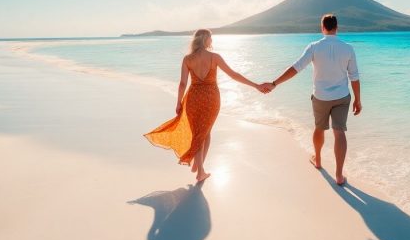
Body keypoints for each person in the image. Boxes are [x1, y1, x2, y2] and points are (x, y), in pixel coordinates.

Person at [145, 29, 270, 182]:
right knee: (204, 132)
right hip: (211, 98)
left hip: (193, 98)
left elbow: (182, 83)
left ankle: (199, 165)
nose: (212, 41)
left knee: (200, 132)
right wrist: (255, 85)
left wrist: (178, 102)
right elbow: (234, 75)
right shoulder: (214, 57)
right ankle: (200, 171)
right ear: (207, 40)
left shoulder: (187, 59)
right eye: (211, 38)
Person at [267, 14, 361, 185]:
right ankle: (339, 176)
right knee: (339, 132)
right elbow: (354, 77)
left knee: (319, 128)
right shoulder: (348, 48)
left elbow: (296, 68)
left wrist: (275, 83)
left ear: (322, 27)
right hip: (342, 96)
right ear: (336, 28)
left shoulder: (314, 47)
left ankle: (317, 160)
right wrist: (358, 100)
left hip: (320, 97)